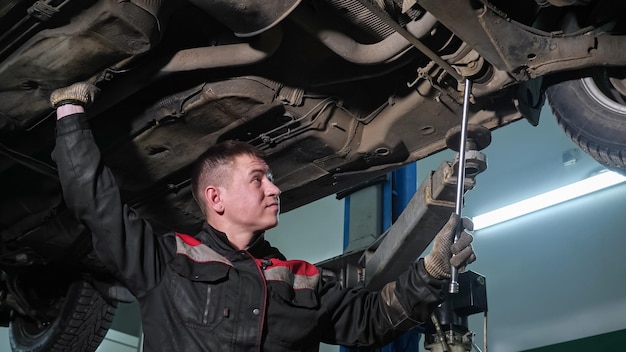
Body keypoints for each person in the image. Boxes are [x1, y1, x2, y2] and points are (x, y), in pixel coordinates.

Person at [50, 82, 476, 352]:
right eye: (258, 180)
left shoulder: (300, 278)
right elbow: (95, 202)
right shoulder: (166, 262)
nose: (275, 189)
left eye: (271, 179)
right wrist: (70, 112)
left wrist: (432, 272)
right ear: (216, 198)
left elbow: (370, 321)